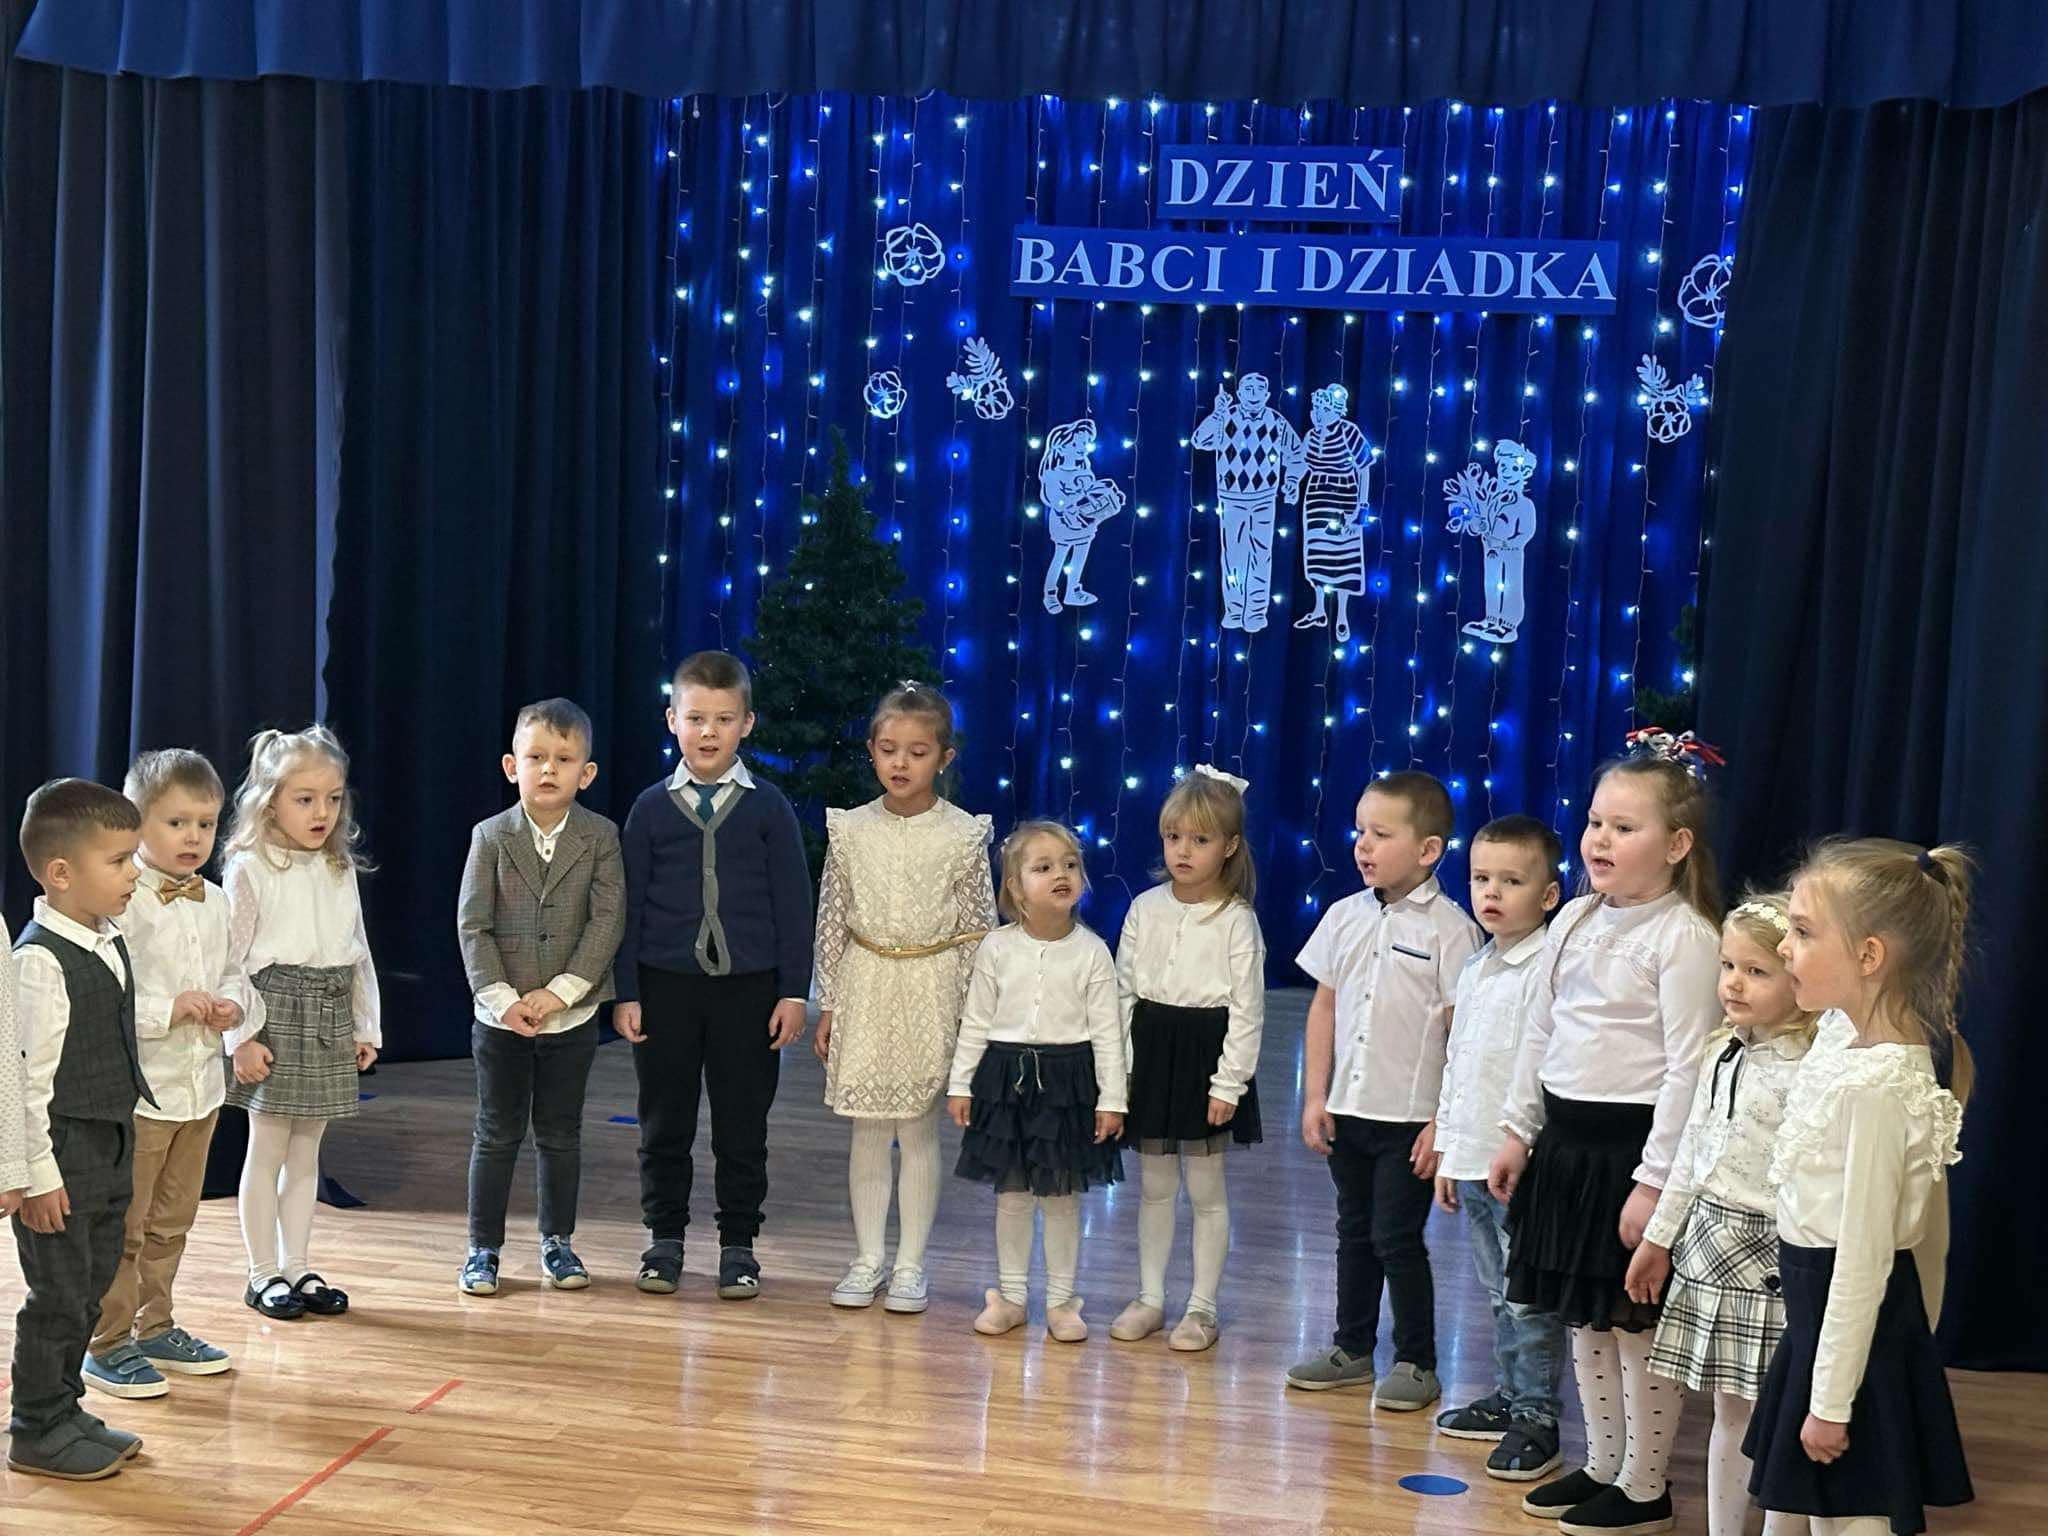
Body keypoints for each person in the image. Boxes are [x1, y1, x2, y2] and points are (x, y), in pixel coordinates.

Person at [1488, 735, 1723, 1535]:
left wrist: (1653, 1185)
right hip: (1566, 1147)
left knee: (1633, 1330)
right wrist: (1518, 1131)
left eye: (1625, 828)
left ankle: (1646, 1485)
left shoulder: (1685, 937)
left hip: (1630, 1157)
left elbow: (1688, 1072)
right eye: (1595, 823)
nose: (1600, 840)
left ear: (1677, 845)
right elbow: (1540, 1030)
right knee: (1584, 1319)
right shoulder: (1576, 918)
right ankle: (1601, 1464)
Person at [1744, 839, 1975, 1536]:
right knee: (1794, 1507)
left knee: (1849, 1515)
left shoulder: (1880, 1088)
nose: (1784, 947)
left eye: (1803, 932)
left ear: (1869, 956)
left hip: (1852, 1332)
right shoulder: (1840, 1036)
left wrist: (1832, 1402)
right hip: (1818, 1321)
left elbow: (1866, 1260)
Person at [615, 651, 812, 1300]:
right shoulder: (649, 809)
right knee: (663, 1121)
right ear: (672, 720)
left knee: (741, 1124)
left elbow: (794, 905)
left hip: (749, 992)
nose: (708, 732)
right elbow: (627, 907)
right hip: (664, 987)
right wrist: (627, 991)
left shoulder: (769, 809)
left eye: (723, 719)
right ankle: (664, 1239)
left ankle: (738, 1245)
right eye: (696, 718)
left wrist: (792, 991)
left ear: (746, 724)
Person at [1625, 895, 1818, 1536]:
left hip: (1778, 1252)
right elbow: (1692, 1150)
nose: (1734, 983)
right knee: (1729, 1411)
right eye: (1728, 966)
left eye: (1757, 971)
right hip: (1711, 1244)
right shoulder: (1720, 1050)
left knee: (1783, 1412)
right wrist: (1659, 1238)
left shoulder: (1814, 1066)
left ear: (1799, 977)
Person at [1288, 771, 1478, 1411]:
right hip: (1349, 1111)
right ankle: (1351, 1349)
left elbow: (1462, 1034)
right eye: (1360, 831)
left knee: (1396, 1237)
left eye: (1380, 834)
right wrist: (1315, 1095)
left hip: (1410, 1120)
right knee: (1354, 1231)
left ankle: (1417, 1361)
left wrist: (1442, 1124)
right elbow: (1323, 1008)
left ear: (1428, 850)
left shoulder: (1450, 930)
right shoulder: (1343, 916)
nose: (1363, 845)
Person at [813, 682, 994, 1316]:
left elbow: (977, 932)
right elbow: (831, 919)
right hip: (865, 983)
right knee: (868, 1130)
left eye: (917, 753)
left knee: (917, 1129)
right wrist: (828, 1002)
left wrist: (972, 1017)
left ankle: (912, 1263)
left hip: (931, 987)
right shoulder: (851, 829)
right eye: (888, 749)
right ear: (871, 750)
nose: (900, 763)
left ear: (943, 758)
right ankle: (868, 1258)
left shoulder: (963, 834)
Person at [84, 751, 247, 1400]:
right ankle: (106, 1342)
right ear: (136, 823)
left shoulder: (216, 901)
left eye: (205, 824)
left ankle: (155, 1326)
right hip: (142, 1094)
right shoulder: (123, 902)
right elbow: (105, 995)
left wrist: (234, 1008)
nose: (193, 837)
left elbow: (235, 973)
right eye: (176, 823)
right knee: (126, 1226)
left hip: (199, 1089)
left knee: (173, 1221)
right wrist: (169, 1009)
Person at [7, 779, 153, 1480]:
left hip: (108, 1142)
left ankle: (65, 1411)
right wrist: (36, 1177)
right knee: (58, 1299)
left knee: (89, 1287)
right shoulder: (38, 963)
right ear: (62, 873)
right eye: (119, 861)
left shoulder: (105, 939)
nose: (134, 874)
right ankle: (35, 1428)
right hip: (60, 1156)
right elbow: (24, 1084)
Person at [455, 698, 625, 1297]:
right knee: (496, 1132)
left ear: (587, 772)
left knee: (560, 1133)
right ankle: (482, 1249)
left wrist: (558, 994)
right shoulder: (490, 837)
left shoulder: (601, 837)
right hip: (499, 1018)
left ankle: (558, 1242)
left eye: (563, 759)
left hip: (570, 1017)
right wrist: (503, 999)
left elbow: (606, 921)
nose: (548, 769)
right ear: (512, 766)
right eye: (535, 757)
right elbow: (473, 926)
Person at [221, 727, 382, 1323]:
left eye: (333, 799)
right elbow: (231, 961)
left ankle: (297, 1266)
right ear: (271, 802)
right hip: (273, 1011)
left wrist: (365, 1025)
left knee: (308, 1150)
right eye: (305, 799)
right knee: (266, 1148)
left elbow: (357, 951)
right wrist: (240, 1037)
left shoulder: (338, 865)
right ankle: (261, 1271)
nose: (322, 812)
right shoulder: (250, 867)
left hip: (330, 1011)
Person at [1427, 814, 1568, 1481]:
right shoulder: (1476, 966)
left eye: (1511, 881)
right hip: (1472, 1157)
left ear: (1549, 894)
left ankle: (1538, 1414)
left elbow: (1538, 1072)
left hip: (1518, 1162)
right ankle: (1510, 1395)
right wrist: (1449, 1150)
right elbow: (1459, 1065)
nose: (1492, 892)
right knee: (1495, 1289)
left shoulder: (1546, 968)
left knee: (1527, 1295)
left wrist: (1522, 1142)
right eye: (1482, 878)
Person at [1107, 766, 1265, 1352]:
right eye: (1174, 837)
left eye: (1200, 839)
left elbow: (1247, 1010)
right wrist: (1120, 1072)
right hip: (1151, 1053)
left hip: (1205, 1058)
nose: (1183, 850)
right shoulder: (1145, 908)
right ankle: (1150, 1297)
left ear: (1229, 846)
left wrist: (1228, 1084)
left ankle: (1202, 1307)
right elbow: (1122, 992)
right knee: (1153, 1187)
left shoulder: (1236, 920)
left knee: (1205, 1190)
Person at [948, 821, 1124, 1342]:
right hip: (1005, 1080)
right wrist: (961, 1084)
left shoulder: (1093, 952)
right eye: (1043, 868)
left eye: (1069, 865)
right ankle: (1011, 1296)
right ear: (1016, 886)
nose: (1060, 875)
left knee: (1062, 1196)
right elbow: (976, 1020)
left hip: (1068, 1083)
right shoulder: (997, 948)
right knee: (1013, 1193)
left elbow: (1108, 1034)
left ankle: (1063, 1301)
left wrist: (1112, 1098)